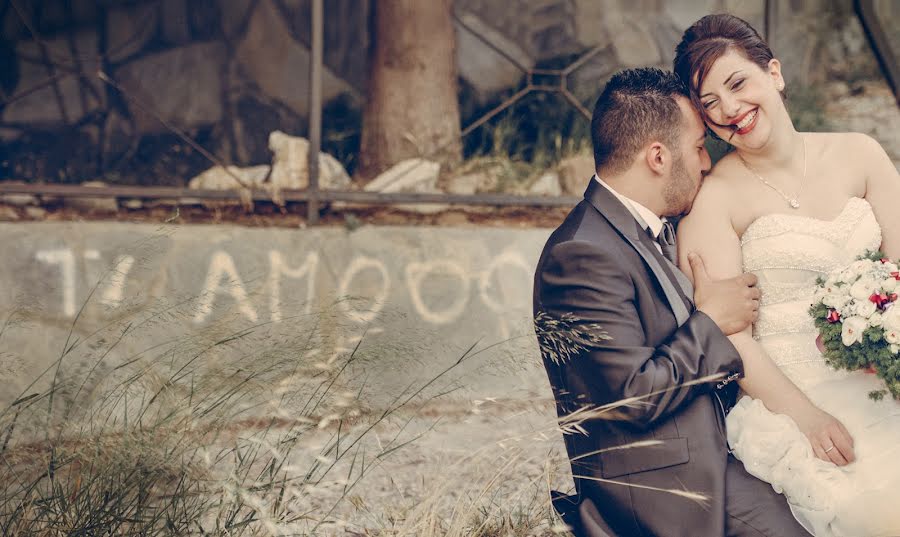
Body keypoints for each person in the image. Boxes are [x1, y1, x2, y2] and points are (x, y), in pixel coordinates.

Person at [533, 67, 809, 537]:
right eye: (699, 146)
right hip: (671, 486)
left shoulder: (656, 228)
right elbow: (630, 397)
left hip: (726, 448)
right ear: (658, 157)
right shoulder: (580, 254)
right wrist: (711, 321)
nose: (705, 163)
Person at [673, 13, 900, 537]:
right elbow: (731, 334)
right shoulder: (713, 202)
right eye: (710, 106)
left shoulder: (859, 153)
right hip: (797, 404)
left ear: (773, 73)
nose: (730, 110)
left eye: (737, 84)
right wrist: (809, 419)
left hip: (882, 381)